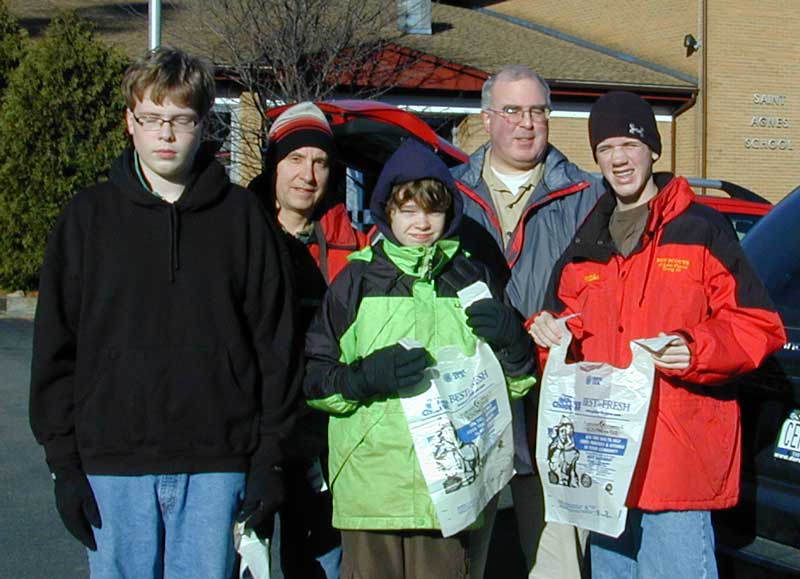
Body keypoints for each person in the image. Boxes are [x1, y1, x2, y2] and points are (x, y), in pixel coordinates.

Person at [29, 46, 298, 578]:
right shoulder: (88, 218)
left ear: (204, 125)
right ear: (130, 123)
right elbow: (55, 348)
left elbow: (275, 343)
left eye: (181, 119)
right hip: (112, 464)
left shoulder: (241, 218)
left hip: (217, 465)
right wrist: (64, 467)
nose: (166, 134)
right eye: (151, 118)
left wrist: (269, 457)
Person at [528, 90, 786, 578]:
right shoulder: (590, 236)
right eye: (605, 148)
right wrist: (546, 334)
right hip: (605, 462)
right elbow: (564, 321)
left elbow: (756, 324)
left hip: (677, 455)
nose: (618, 158)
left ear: (652, 149)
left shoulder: (700, 228)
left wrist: (694, 350)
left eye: (628, 143)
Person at [303, 138, 537, 579]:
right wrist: (364, 378)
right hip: (372, 488)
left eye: (432, 210)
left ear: (449, 213)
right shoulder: (357, 279)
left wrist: (513, 343)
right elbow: (314, 378)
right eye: (408, 210)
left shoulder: (473, 277)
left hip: (448, 492)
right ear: (387, 212)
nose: (421, 223)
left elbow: (510, 385)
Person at [452, 64, 605, 578]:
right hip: (469, 402)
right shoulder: (446, 195)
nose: (526, 123)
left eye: (538, 111)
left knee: (557, 563)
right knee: (461, 561)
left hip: (553, 405)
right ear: (487, 118)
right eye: (512, 111)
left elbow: (609, 291)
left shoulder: (589, 197)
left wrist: (572, 325)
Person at [249, 101, 368, 578]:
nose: (308, 174)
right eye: (295, 160)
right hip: (253, 432)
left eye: (319, 162)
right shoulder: (241, 232)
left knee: (321, 566)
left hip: (323, 436)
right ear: (274, 164)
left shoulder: (354, 243)